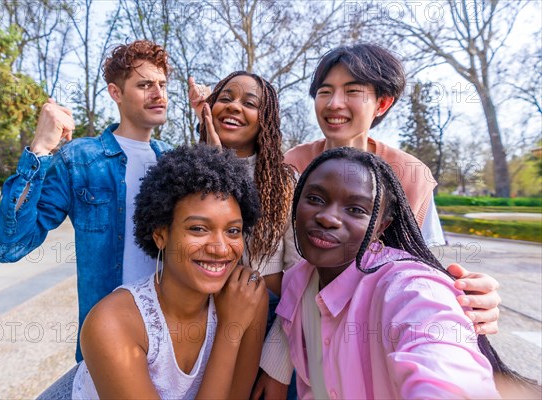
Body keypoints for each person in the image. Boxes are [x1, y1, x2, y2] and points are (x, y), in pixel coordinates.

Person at [254, 44, 502, 397]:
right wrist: (277, 365)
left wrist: (470, 299)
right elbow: (288, 274)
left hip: (376, 347)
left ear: (382, 104)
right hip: (303, 342)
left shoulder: (411, 176)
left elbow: (429, 280)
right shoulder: (288, 167)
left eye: (352, 91)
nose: (334, 103)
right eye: (325, 91)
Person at [278, 146, 518, 398]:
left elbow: (443, 363)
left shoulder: (411, 288)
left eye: (356, 210)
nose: (328, 218)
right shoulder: (295, 282)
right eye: (315, 199)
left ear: (381, 226)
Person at [0, 40, 172, 361]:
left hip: (172, 339)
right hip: (108, 344)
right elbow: (9, 246)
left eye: (161, 84)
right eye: (145, 85)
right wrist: (41, 148)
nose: (158, 94)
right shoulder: (81, 159)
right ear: (115, 93)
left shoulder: (174, 162)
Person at [70, 144, 268, 399]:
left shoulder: (246, 297)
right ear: (161, 235)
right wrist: (230, 330)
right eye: (198, 228)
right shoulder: (113, 323)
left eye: (233, 231)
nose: (220, 249)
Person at [189, 72, 299, 296]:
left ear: (265, 120)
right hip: (202, 308)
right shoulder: (187, 172)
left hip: (269, 313)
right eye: (226, 99)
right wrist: (215, 159)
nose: (234, 107)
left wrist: (283, 330)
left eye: (249, 103)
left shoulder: (284, 182)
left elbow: (297, 268)